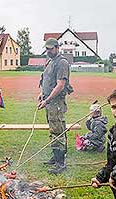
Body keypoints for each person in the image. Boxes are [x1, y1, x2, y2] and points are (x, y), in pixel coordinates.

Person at [37, 38, 72, 174]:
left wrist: (48, 99)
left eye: (51, 49)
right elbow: (47, 80)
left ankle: (60, 163)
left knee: (58, 131)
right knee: (54, 128)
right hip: (49, 100)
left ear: (57, 48)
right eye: (47, 49)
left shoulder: (62, 63)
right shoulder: (50, 61)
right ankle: (56, 157)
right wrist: (42, 94)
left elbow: (60, 84)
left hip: (55, 102)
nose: (48, 51)